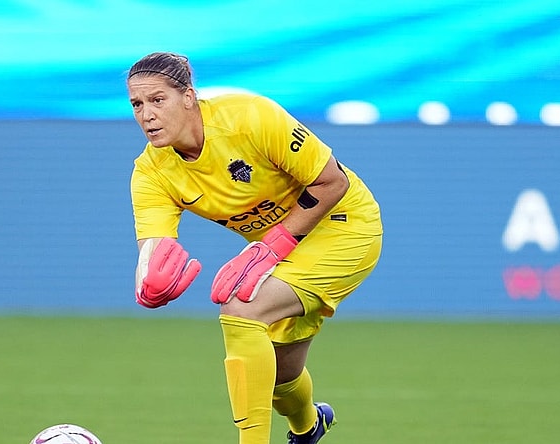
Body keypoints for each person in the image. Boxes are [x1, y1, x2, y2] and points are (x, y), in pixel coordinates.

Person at [127, 52, 383, 444]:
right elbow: (153, 247)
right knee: (280, 375)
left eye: (157, 100)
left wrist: (272, 246)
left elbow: (333, 183)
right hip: (280, 252)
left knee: (242, 309)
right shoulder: (150, 172)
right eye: (137, 104)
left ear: (189, 97)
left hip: (345, 227)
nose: (147, 114)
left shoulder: (249, 117)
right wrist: (150, 279)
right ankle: (308, 427)